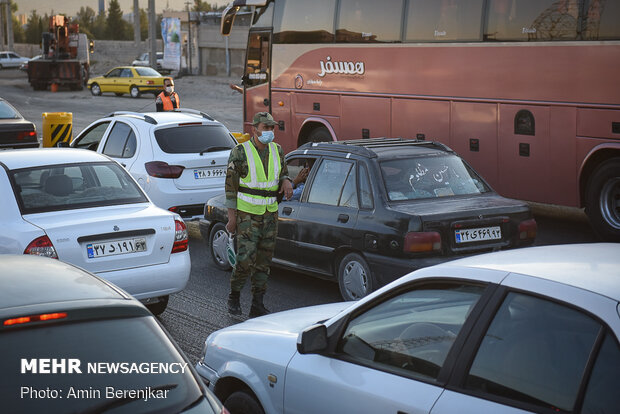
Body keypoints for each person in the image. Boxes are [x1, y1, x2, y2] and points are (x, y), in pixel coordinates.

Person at [225, 111, 293, 317]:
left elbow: (282, 172)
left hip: (270, 214)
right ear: (254, 129)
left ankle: (257, 303)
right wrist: (232, 217)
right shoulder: (240, 151)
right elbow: (230, 186)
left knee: (264, 261)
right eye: (266, 128)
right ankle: (234, 296)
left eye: (272, 128)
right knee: (245, 259)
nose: (270, 132)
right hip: (247, 214)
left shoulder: (277, 150)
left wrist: (287, 180)